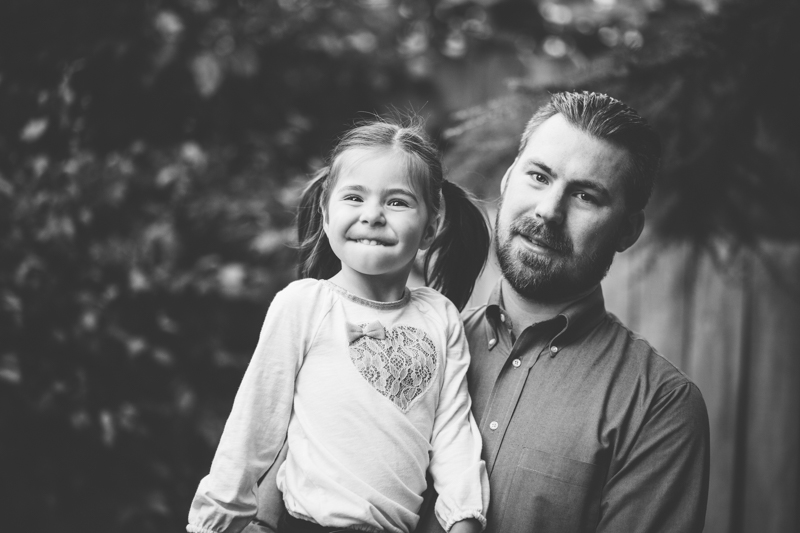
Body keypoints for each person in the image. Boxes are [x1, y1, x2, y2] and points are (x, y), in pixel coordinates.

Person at [413, 91, 711, 532]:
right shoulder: (424, 347)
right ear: (508, 178)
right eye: (538, 176)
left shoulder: (658, 407)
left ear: (627, 230)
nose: (549, 210)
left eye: (586, 196)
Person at [187, 119, 492, 533]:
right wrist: (214, 521)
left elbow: (454, 429)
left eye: (398, 202)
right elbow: (253, 428)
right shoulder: (304, 305)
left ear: (430, 227)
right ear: (326, 215)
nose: (373, 216)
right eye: (354, 197)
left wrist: (464, 517)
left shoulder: (440, 318)